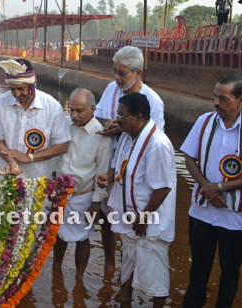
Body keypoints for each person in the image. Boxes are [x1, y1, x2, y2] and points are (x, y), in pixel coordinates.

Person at [95, 93, 176, 308]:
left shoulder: (157, 144)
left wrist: (144, 216)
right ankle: (124, 301)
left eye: (122, 115)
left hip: (148, 222)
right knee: (128, 261)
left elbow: (163, 187)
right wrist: (108, 178)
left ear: (139, 117)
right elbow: (120, 167)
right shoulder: (127, 136)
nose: (118, 120)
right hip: (129, 217)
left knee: (155, 272)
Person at [95, 45, 165, 274]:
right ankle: (110, 261)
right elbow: (100, 115)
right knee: (107, 213)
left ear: (138, 73)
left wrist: (121, 129)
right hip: (110, 159)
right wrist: (108, 124)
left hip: (135, 166)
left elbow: (153, 137)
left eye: (122, 73)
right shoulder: (110, 89)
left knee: (132, 213)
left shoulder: (153, 101)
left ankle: (132, 267)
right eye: (114, 71)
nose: (116, 77)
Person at [181, 74, 242, 308]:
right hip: (202, 211)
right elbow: (189, 158)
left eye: (224, 99)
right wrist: (208, 189)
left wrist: (218, 188)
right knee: (198, 267)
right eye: (215, 97)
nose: (217, 103)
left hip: (234, 216)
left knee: (230, 271)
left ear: (239, 100)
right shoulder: (205, 121)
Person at [52, 88, 113, 280]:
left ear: (93, 109)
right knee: (58, 234)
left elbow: (102, 172)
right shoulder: (66, 127)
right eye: (72, 110)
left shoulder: (102, 135)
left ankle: (79, 278)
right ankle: (56, 269)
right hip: (61, 194)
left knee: (83, 238)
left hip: (83, 196)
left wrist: (95, 203)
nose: (74, 115)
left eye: (80, 111)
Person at [0, 58, 70, 178]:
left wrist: (28, 157)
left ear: (32, 85)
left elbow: (62, 146)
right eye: (12, 89)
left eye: (21, 89)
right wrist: (11, 160)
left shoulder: (52, 106)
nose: (16, 94)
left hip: (38, 178)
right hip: (6, 175)